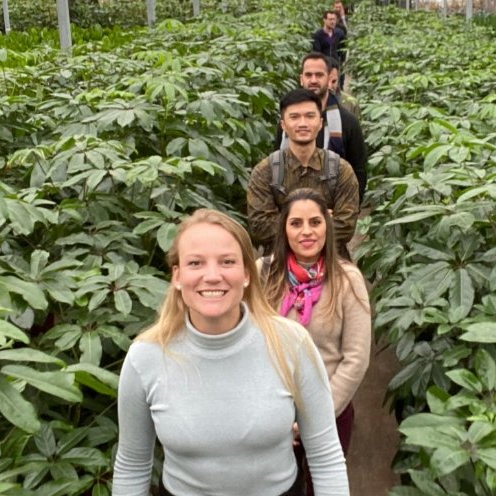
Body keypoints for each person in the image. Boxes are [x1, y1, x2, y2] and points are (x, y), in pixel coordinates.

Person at [113, 209, 349, 496]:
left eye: (227, 262)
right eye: (196, 263)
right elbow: (132, 466)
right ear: (177, 276)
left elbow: (325, 456)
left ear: (247, 274)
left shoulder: (291, 343)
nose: (212, 276)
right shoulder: (146, 357)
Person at [260, 188, 371, 496]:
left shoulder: (348, 280)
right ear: (284, 228)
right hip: (271, 410)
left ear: (327, 225)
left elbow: (356, 358)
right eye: (296, 223)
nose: (306, 231)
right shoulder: (263, 274)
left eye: (315, 222)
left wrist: (314, 415)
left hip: (330, 410)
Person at [249, 88, 359, 256]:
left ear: (320, 123)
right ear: (283, 125)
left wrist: (285, 220)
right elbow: (260, 228)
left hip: (331, 265)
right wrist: (322, 220)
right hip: (279, 267)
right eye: (294, 117)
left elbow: (346, 227)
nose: (302, 123)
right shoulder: (265, 172)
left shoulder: (341, 170)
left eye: (310, 116)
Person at [275, 53, 367, 204]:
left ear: (329, 78)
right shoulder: (288, 122)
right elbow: (276, 163)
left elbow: (359, 171)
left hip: (334, 210)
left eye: (319, 75)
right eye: (308, 75)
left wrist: (347, 210)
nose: (313, 80)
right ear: (301, 79)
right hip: (291, 209)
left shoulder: (348, 122)